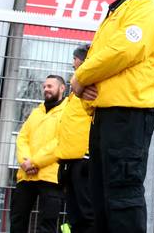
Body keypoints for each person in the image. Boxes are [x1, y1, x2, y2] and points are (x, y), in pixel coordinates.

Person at [71, 0, 154, 233]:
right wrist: (83, 84)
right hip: (107, 114)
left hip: (128, 114)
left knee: (122, 194)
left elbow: (123, 50)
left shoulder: (146, 7)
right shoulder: (118, 12)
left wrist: (80, 78)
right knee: (102, 197)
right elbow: (101, 56)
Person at [11, 76, 67, 233]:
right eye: (44, 86)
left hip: (50, 176)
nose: (46, 89)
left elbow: (60, 141)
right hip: (26, 175)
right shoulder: (36, 112)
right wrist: (24, 161)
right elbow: (22, 137)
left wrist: (34, 162)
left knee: (47, 224)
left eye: (50, 86)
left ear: (62, 88)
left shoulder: (67, 111)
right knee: (17, 221)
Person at [55, 45, 95, 233]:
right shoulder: (76, 92)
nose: (73, 63)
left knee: (87, 215)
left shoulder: (93, 86)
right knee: (76, 216)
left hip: (84, 159)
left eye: (76, 58)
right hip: (70, 160)